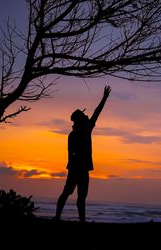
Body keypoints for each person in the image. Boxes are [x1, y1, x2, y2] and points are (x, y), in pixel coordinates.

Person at [54, 85, 111, 222]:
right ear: (79, 120)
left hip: (78, 167)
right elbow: (97, 113)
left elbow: (69, 155)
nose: (86, 116)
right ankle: (71, 219)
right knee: (72, 194)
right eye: (83, 115)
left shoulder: (76, 133)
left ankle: (71, 218)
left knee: (76, 195)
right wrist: (104, 98)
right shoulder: (83, 130)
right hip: (79, 168)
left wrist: (104, 98)